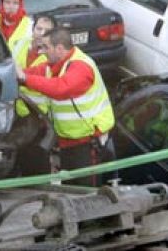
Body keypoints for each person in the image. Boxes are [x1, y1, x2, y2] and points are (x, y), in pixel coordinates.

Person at [16, 27, 115, 186]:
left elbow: (61, 88)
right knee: (71, 188)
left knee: (86, 191)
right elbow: (31, 73)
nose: (42, 52)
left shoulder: (81, 67)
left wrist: (25, 78)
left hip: (87, 143)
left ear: (60, 49)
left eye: (46, 47)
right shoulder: (54, 66)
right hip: (69, 142)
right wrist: (15, 74)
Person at [15, 14, 55, 118]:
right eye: (39, 29)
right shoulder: (19, 44)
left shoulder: (54, 56)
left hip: (38, 114)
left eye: (47, 31)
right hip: (14, 110)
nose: (42, 34)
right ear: (33, 29)